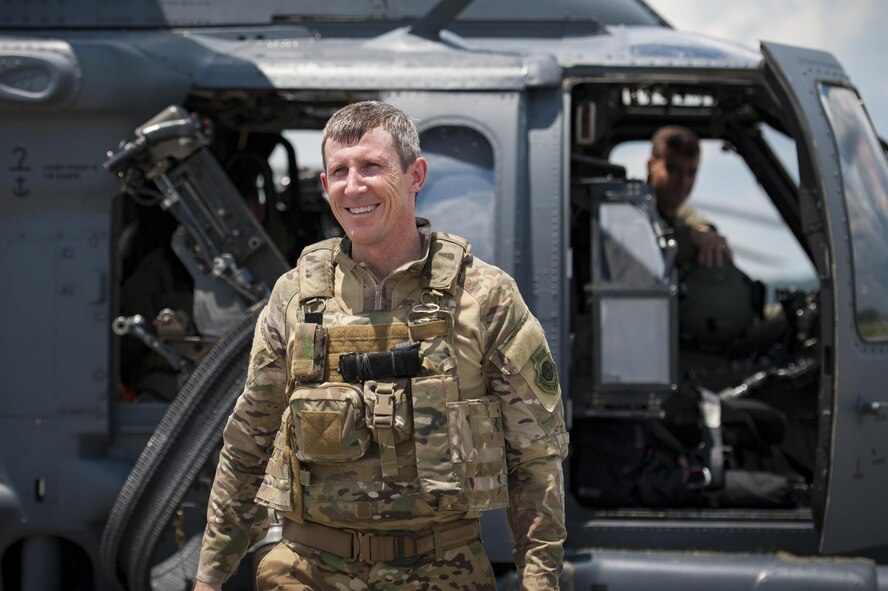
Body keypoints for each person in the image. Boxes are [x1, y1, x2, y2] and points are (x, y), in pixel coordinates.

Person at [193, 101, 569, 591]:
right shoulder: (295, 296)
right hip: (306, 573)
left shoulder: (483, 296)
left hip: (441, 573)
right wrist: (209, 578)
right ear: (324, 184)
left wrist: (540, 582)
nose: (354, 186)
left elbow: (535, 456)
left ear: (415, 175)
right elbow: (249, 440)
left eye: (372, 166)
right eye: (340, 171)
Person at [647, 125, 732, 270]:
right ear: (651, 165)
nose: (683, 182)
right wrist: (690, 238)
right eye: (673, 169)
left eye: (691, 173)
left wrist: (705, 231)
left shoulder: (674, 212)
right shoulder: (633, 212)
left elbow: (687, 216)